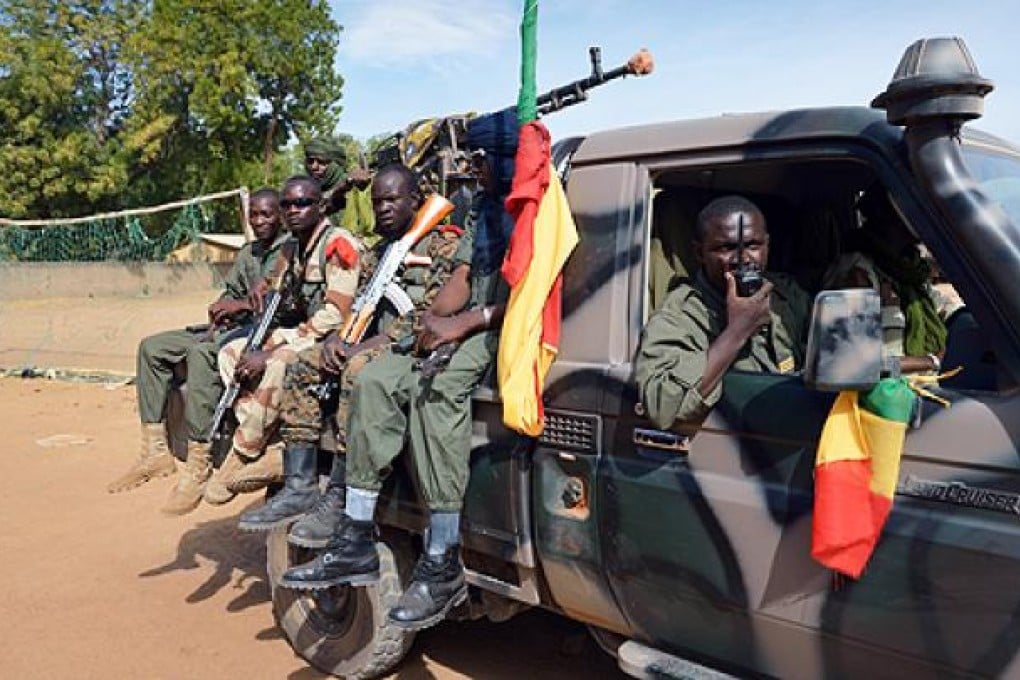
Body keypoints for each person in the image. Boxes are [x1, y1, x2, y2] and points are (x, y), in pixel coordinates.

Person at [278, 109, 519, 634]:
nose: (474, 167)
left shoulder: (536, 211)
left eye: (483, 158)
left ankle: (442, 554)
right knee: (374, 379)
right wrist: (435, 320)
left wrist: (461, 323)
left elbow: (537, 292)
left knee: (438, 390)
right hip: (464, 319)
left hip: (506, 323)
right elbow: (461, 275)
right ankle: (356, 533)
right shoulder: (484, 208)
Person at [236, 163, 466, 541]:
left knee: (356, 369)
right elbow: (358, 303)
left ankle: (341, 490)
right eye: (377, 202)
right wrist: (336, 340)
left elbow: (430, 313)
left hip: (411, 348)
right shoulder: (380, 251)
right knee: (301, 364)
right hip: (367, 340)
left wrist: (363, 345)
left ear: (415, 200)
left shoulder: (442, 244)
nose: (383, 209)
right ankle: (300, 484)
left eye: (392, 200)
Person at [107, 189, 289, 514]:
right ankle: (155, 452)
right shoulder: (249, 252)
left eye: (267, 214)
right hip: (233, 326)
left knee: (202, 354)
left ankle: (198, 462)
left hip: (264, 331)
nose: (259, 221)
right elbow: (232, 292)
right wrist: (222, 306)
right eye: (254, 214)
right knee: (152, 348)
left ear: (281, 216)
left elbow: (277, 304)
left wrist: (240, 306)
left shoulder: (288, 251)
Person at [205, 176, 363, 507]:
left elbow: (336, 314)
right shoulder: (291, 247)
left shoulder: (337, 244)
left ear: (320, 207)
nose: (293, 210)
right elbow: (271, 289)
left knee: (279, 362)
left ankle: (243, 451)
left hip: (334, 335)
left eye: (302, 203)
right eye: (287, 204)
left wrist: (273, 350)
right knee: (231, 353)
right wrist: (259, 296)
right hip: (304, 329)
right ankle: (272, 442)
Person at [635, 195, 811, 429]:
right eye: (726, 248)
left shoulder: (787, 297)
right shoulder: (681, 315)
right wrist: (737, 332)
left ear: (767, 245)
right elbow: (662, 407)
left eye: (753, 246)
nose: (742, 259)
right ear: (699, 253)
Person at [303, 137, 374, 238]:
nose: (314, 167)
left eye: (322, 162)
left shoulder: (355, 187)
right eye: (310, 161)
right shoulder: (308, 192)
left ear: (335, 164)